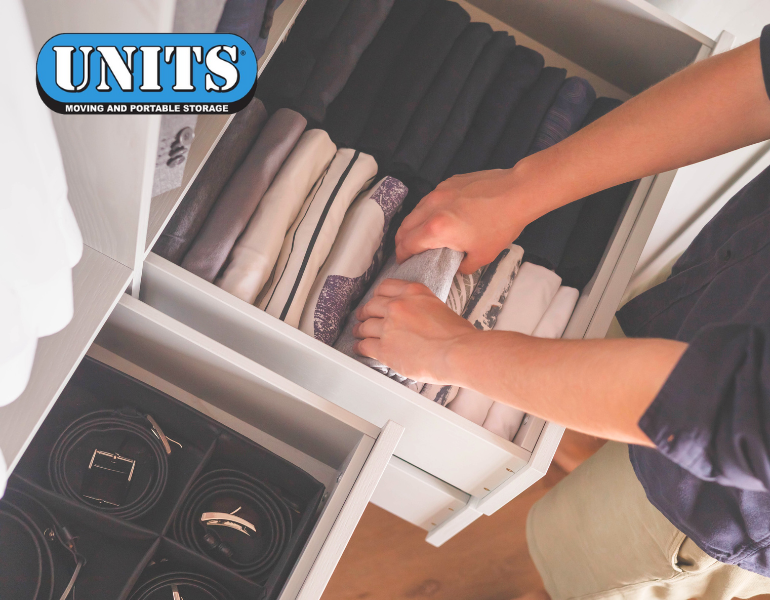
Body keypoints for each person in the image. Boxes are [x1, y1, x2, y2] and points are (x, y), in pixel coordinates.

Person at [352, 25, 770, 600]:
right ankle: (578, 445)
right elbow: (763, 81)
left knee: (575, 555)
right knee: (583, 423)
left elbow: (725, 407)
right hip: (720, 296)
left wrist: (449, 350)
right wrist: (519, 190)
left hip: (723, 493)